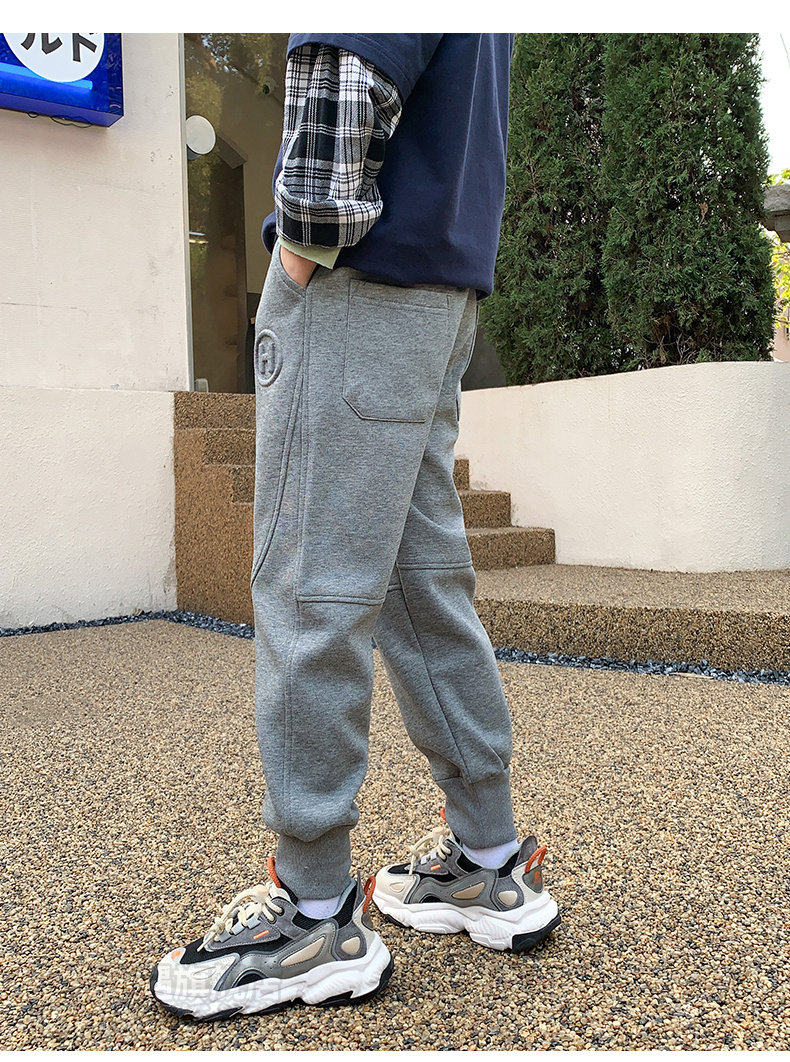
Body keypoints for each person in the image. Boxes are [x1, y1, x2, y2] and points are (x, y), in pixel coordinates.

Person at [150, 33, 560, 1022]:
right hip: (439, 299)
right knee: (423, 584)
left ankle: (314, 914)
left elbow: (345, 76)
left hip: (356, 290)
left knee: (309, 587)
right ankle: (491, 857)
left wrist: (297, 257)